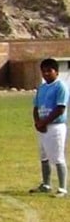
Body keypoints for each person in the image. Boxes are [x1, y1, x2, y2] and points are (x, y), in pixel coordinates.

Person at [30, 58, 68, 197]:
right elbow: (36, 107)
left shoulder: (60, 87)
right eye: (43, 71)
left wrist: (44, 122)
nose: (46, 74)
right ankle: (46, 184)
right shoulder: (42, 88)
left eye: (49, 71)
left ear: (56, 72)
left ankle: (62, 188)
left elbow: (60, 109)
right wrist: (37, 122)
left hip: (55, 126)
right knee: (44, 156)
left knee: (58, 157)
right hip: (42, 126)